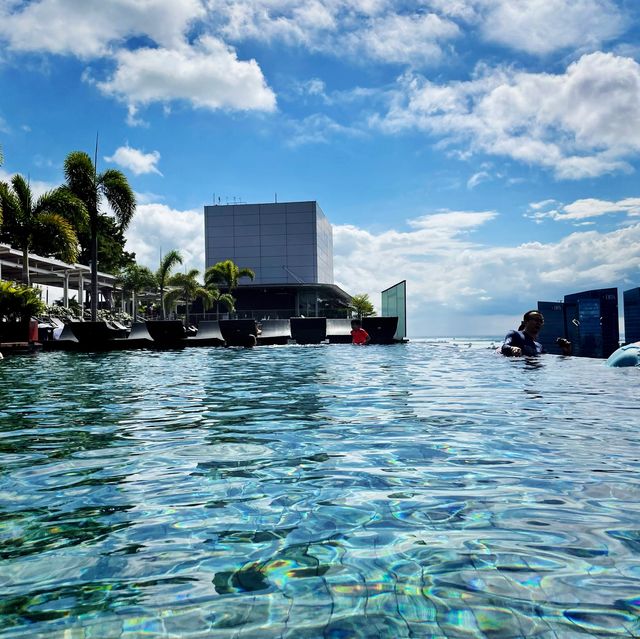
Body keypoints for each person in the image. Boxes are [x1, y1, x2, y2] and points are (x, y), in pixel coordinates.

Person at [501, 310, 571, 356]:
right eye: (536, 320)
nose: (539, 323)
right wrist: (512, 348)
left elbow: (549, 363)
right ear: (525, 322)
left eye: (541, 321)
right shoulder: (515, 334)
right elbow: (504, 346)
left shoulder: (540, 347)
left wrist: (566, 351)